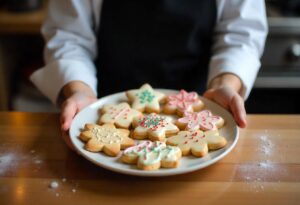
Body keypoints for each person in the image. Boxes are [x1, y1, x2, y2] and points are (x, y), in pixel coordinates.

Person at [30, 0, 267, 148]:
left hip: (200, 105)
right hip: (106, 104)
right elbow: (69, 36)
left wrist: (225, 82)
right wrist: (79, 90)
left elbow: (240, 34)